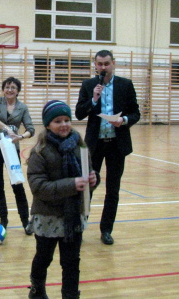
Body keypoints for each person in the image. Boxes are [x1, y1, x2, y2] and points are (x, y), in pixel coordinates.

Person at [26, 100, 97, 299]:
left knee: (71, 261)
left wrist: (93, 179)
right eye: (58, 121)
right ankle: (37, 290)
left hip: (73, 216)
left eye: (67, 120)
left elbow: (87, 177)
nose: (64, 124)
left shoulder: (80, 146)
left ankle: (71, 295)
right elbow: (39, 188)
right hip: (48, 216)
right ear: (48, 124)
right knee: (43, 258)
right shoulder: (39, 152)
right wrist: (72, 184)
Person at [75, 49, 140, 246]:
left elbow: (136, 112)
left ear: (113, 64)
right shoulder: (88, 85)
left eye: (107, 63)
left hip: (116, 145)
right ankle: (80, 226)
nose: (103, 67)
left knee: (113, 189)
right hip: (95, 144)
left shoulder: (125, 85)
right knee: (88, 187)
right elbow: (78, 113)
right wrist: (93, 99)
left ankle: (106, 229)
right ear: (95, 65)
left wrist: (124, 119)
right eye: (100, 64)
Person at [0, 76, 36, 235]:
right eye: (7, 87)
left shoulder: (23, 107)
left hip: (12, 148)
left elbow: (31, 129)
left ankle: (25, 221)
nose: (9, 90)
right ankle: (3, 220)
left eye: (13, 87)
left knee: (17, 184)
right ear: (3, 89)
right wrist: (7, 128)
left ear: (18, 91)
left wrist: (20, 137)